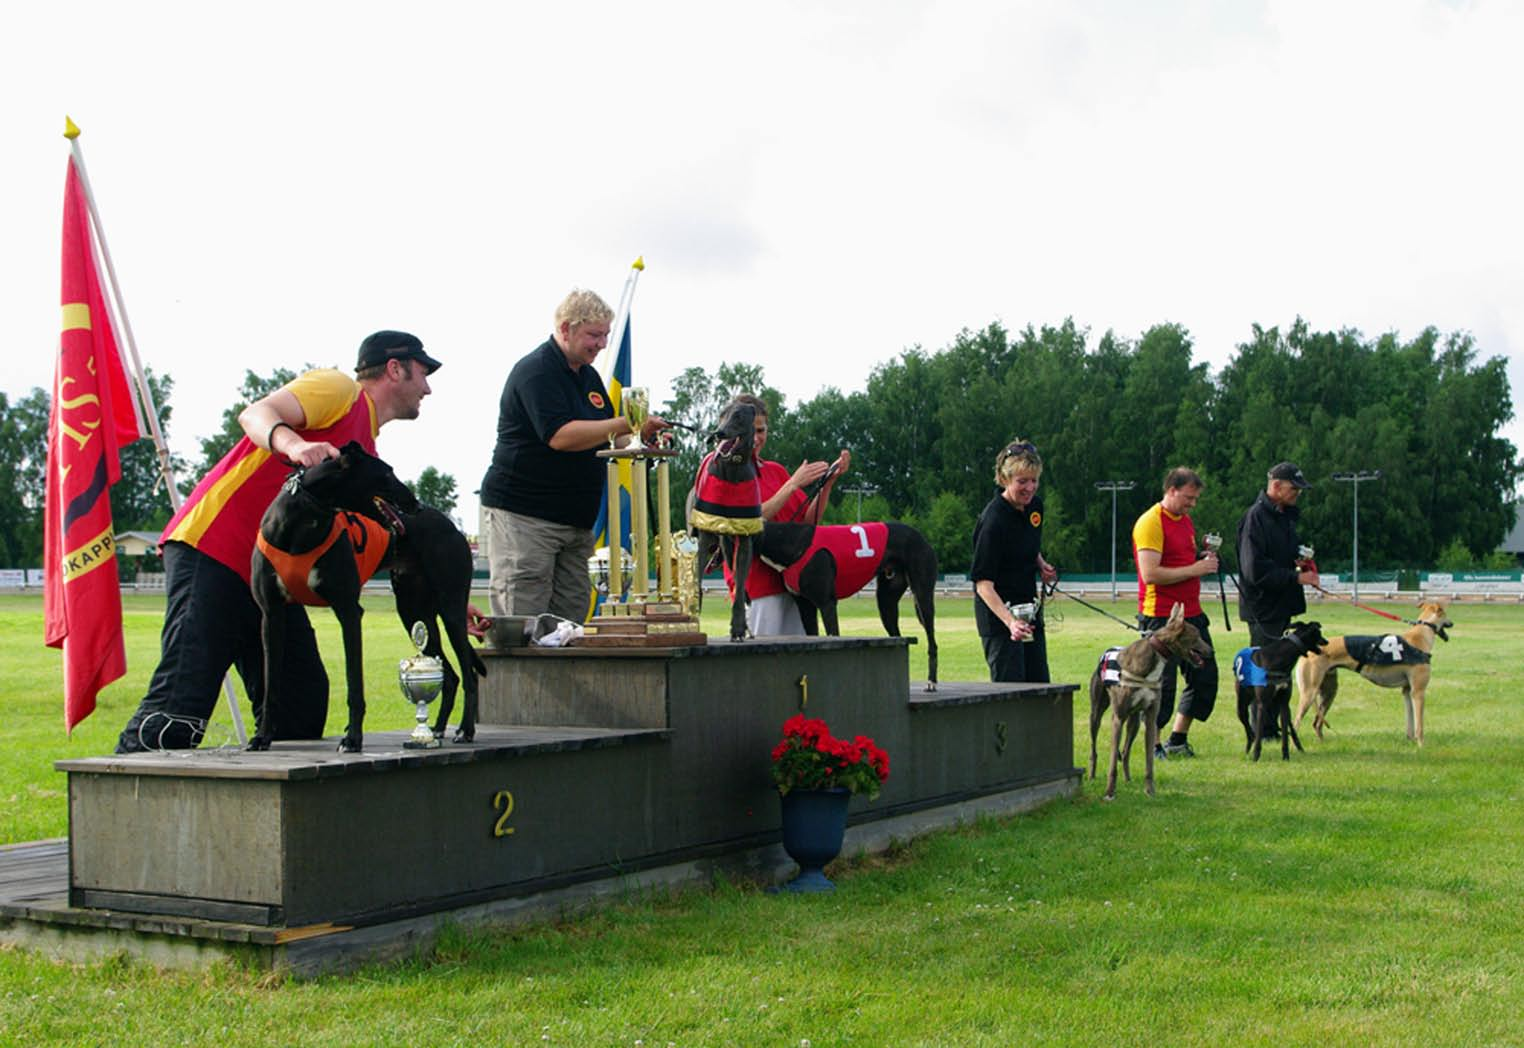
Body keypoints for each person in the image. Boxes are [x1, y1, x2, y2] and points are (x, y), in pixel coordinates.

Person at [115, 331, 441, 753]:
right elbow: (256, 414)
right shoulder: (340, 389)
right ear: (394, 369)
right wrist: (295, 444)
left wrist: (439, 588)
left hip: (270, 580)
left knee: (299, 709)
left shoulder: (365, 453)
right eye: (423, 373)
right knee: (176, 715)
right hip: (216, 550)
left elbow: (370, 544)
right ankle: (107, 809)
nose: (428, 387)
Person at [480, 289, 666, 623]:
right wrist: (628, 421)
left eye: (606, 335)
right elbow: (559, 436)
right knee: (523, 623)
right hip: (525, 518)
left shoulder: (589, 377)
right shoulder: (536, 372)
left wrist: (640, 438)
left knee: (571, 625)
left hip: (577, 523)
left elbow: (612, 434)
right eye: (594, 335)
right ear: (566, 329)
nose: (602, 344)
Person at [724, 393, 849, 636]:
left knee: (798, 667)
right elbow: (748, 522)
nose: (757, 438)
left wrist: (827, 484)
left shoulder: (776, 472)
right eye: (751, 430)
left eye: (761, 430)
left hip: (794, 585)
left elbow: (807, 524)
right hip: (757, 589)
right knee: (763, 667)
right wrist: (792, 485)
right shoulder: (726, 473)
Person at [1132, 467, 1220, 758]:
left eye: (1195, 499)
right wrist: (1195, 569)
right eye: (1188, 497)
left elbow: (1179, 559)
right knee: (1162, 685)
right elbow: (1151, 573)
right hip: (1160, 616)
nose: (1192, 504)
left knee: (1205, 675)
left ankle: (1178, 739)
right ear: (1171, 490)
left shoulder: (1186, 521)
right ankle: (1152, 745)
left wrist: (1200, 559)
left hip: (1191, 614)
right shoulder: (1150, 522)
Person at [972, 440, 1058, 682]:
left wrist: (1040, 563)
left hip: (1029, 611)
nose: (1030, 488)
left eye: (1034, 480)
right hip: (1000, 621)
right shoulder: (993, 521)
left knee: (1039, 687)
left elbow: (1026, 542)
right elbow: (983, 584)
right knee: (1010, 695)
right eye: (1022, 481)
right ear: (1004, 479)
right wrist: (1010, 623)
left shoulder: (1035, 508)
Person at [1236, 461, 1320, 647]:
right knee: (1266, 669)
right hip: (1265, 611)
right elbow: (1254, 570)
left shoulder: (1285, 517)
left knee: (1280, 669)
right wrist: (1296, 578)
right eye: (1294, 488)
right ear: (1276, 486)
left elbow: (1281, 556)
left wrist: (1301, 563)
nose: (1298, 493)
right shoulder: (1255, 518)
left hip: (1282, 607)